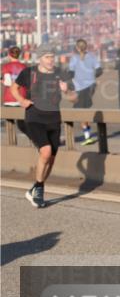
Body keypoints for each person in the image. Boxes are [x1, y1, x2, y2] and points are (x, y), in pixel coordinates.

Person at [11, 44, 77, 207]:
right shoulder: (29, 72)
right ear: (40, 58)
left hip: (54, 120)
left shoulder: (60, 74)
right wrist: (21, 101)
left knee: (51, 159)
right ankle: (39, 189)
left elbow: (73, 98)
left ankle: (35, 187)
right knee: (46, 152)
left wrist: (66, 91)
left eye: (52, 56)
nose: (50, 60)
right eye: (47, 57)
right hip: (34, 118)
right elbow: (14, 88)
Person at [68, 39, 101, 145]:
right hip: (91, 86)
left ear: (77, 48)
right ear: (86, 47)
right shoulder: (92, 56)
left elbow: (70, 73)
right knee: (83, 109)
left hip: (80, 88)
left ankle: (87, 136)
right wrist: (91, 77)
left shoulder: (74, 58)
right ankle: (87, 130)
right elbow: (100, 71)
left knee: (80, 111)